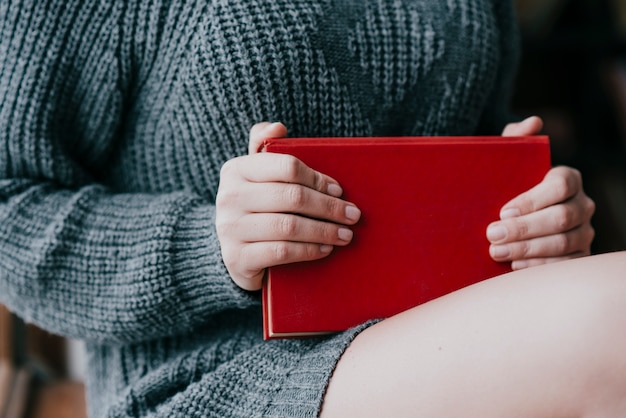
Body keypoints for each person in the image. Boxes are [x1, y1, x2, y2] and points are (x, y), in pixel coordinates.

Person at [0, 1, 624, 417]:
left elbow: (476, 139)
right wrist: (204, 248)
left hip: (447, 329)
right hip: (215, 379)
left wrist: (539, 223)